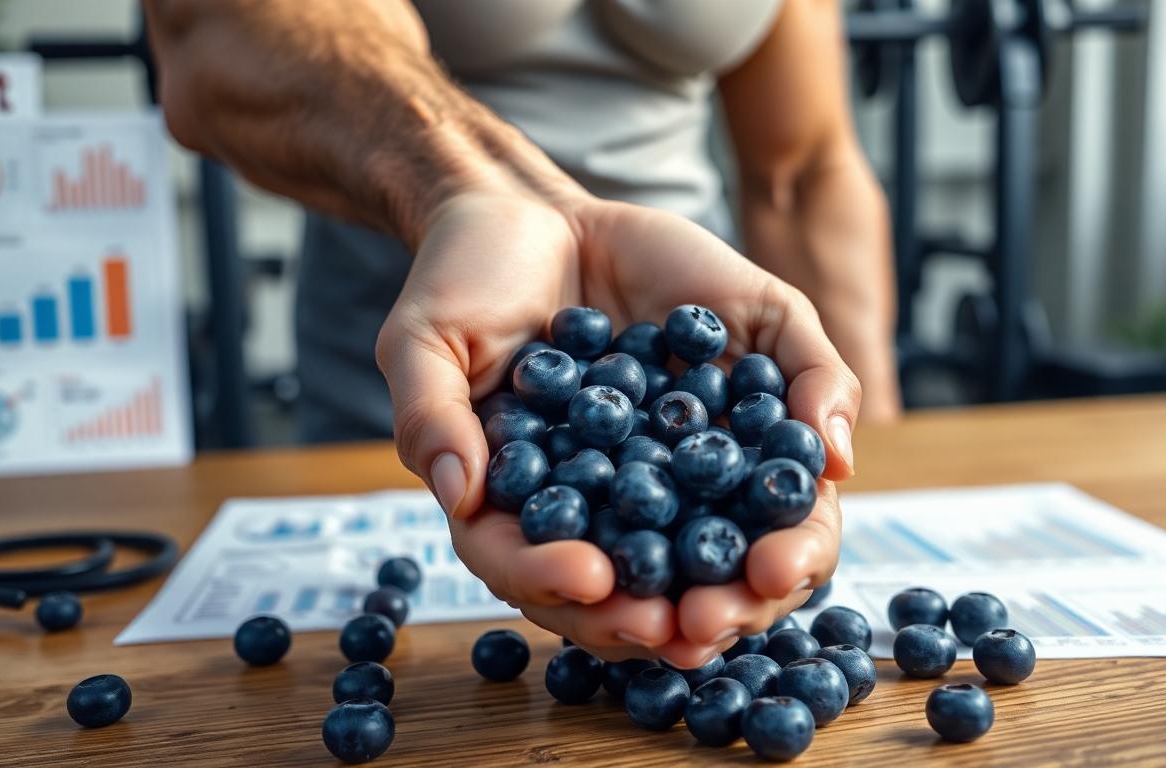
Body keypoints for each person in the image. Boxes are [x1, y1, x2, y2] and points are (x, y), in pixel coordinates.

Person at [145, 0, 895, 668]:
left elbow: (802, 174)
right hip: (444, 380)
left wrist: (870, 435)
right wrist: (464, 182)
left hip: (695, 342)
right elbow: (211, 31)